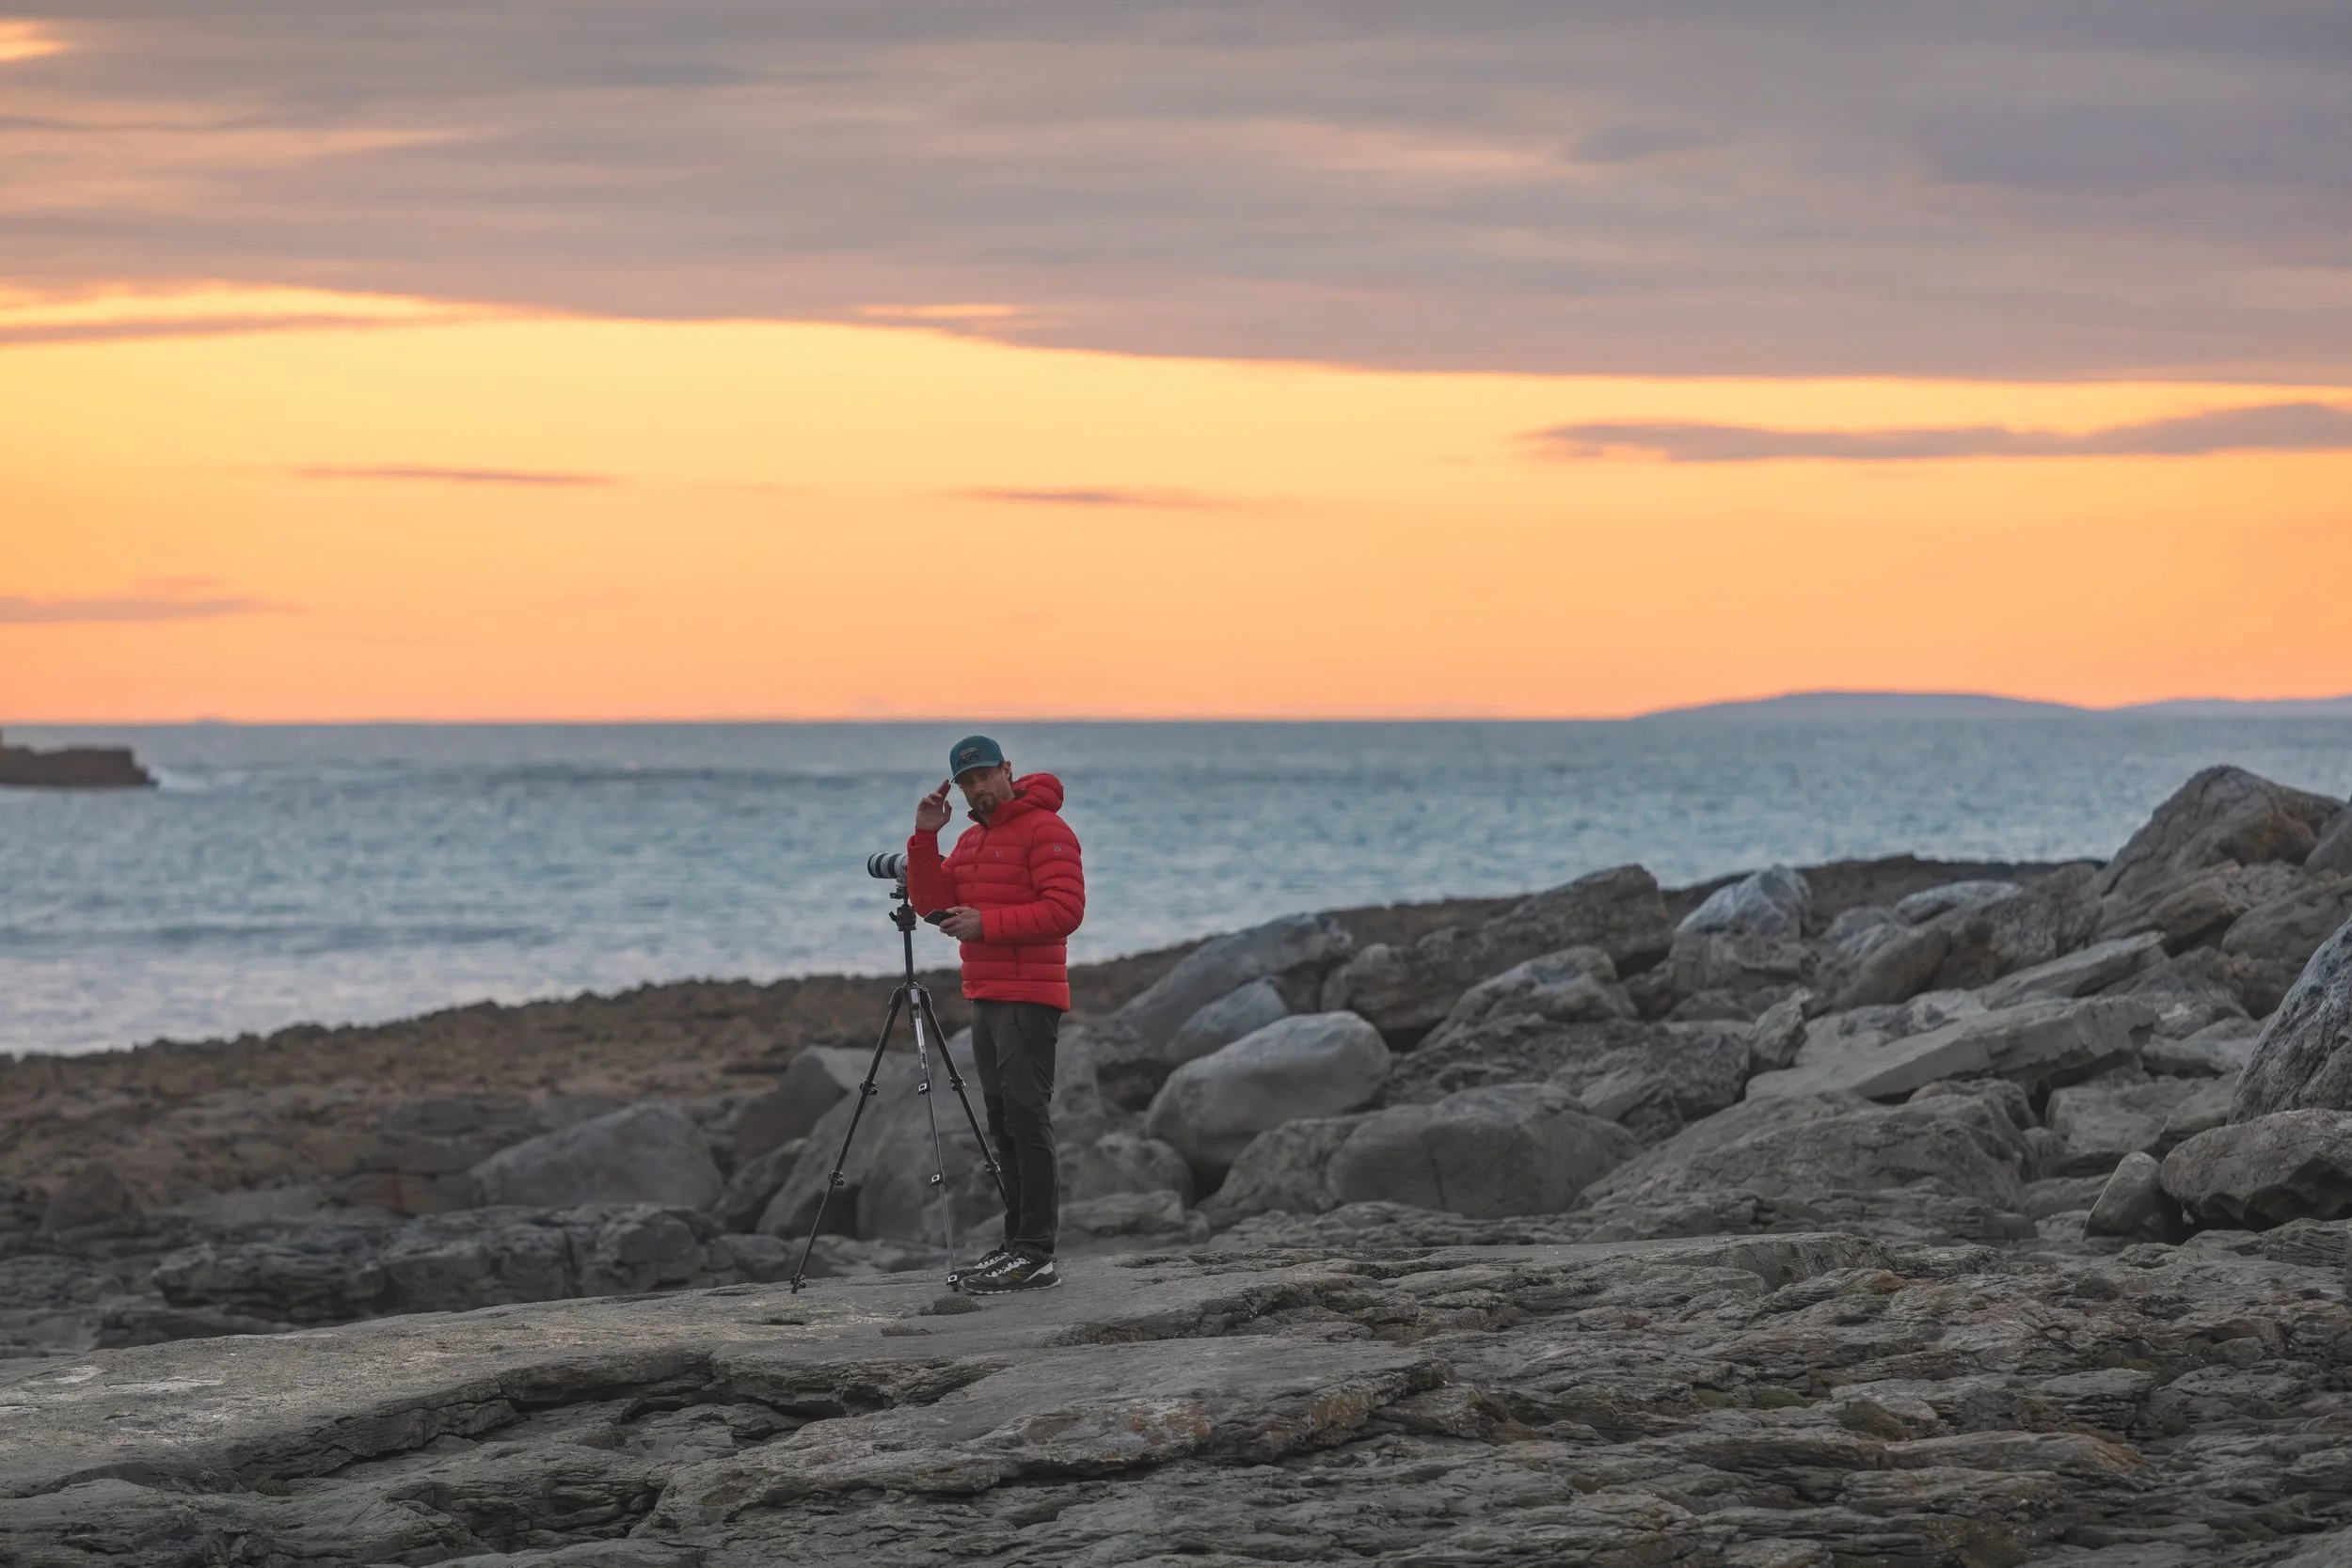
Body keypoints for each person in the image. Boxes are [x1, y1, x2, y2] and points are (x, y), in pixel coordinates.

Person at [906, 734, 1085, 1293]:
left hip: (1030, 995)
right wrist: (924, 839)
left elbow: (1065, 911)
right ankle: (1017, 1246)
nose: (978, 788)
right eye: (967, 781)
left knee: (1027, 1121)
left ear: (1007, 770)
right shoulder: (968, 841)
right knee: (1004, 1122)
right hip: (986, 991)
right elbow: (933, 905)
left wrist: (988, 923)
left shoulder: (1047, 830)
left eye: (985, 775)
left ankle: (1037, 1252)